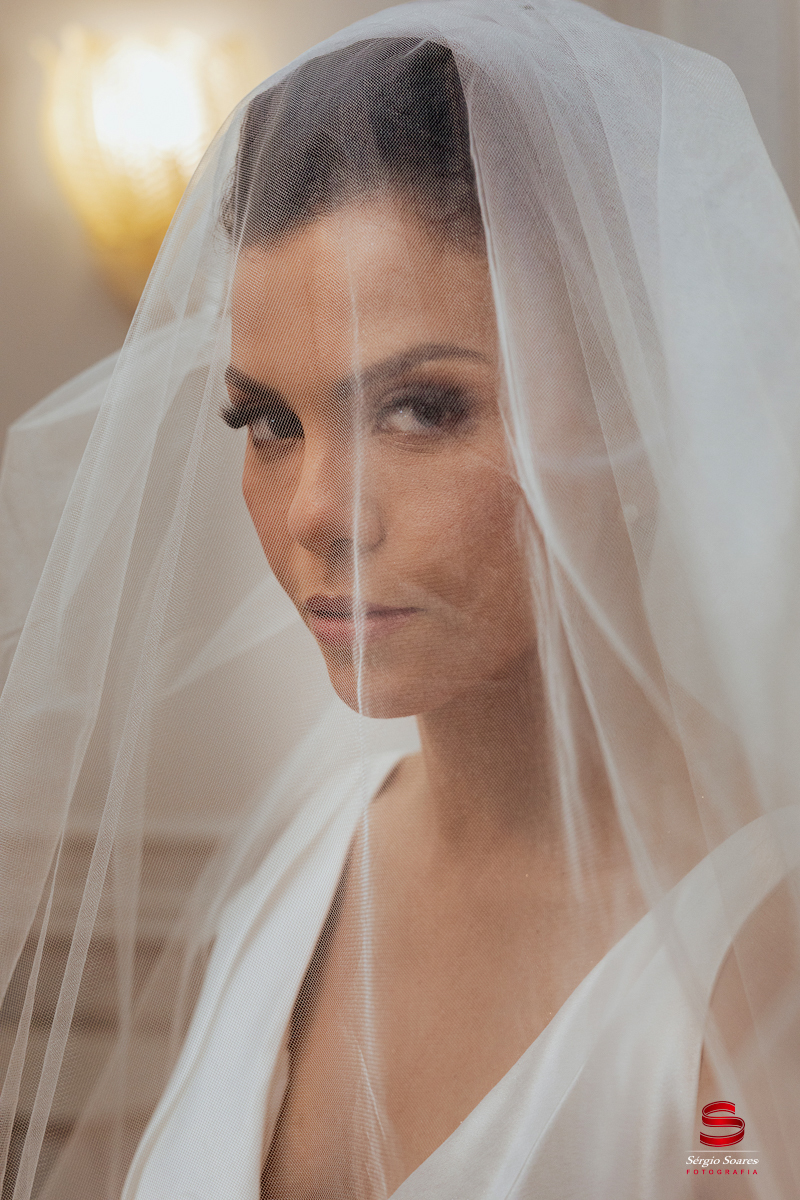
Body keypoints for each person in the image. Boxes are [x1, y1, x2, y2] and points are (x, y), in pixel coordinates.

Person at [1, 2, 799, 1198]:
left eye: (421, 408)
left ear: (631, 413)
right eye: (267, 421)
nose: (316, 511)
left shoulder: (759, 972)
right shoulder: (304, 864)